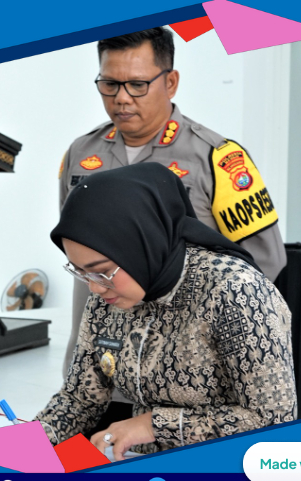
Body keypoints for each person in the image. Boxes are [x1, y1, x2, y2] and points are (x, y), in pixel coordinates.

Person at [59, 27, 287, 382]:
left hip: (181, 369)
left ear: (170, 82)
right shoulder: (82, 152)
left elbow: (264, 261)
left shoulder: (216, 157)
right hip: (98, 363)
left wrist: (200, 327)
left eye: (137, 84)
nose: (122, 98)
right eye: (110, 84)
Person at [36, 164, 297, 460]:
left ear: (141, 246)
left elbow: (273, 420)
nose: (94, 287)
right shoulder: (108, 296)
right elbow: (79, 399)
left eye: (102, 271)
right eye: (81, 272)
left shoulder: (235, 290)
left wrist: (154, 425)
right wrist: (25, 443)